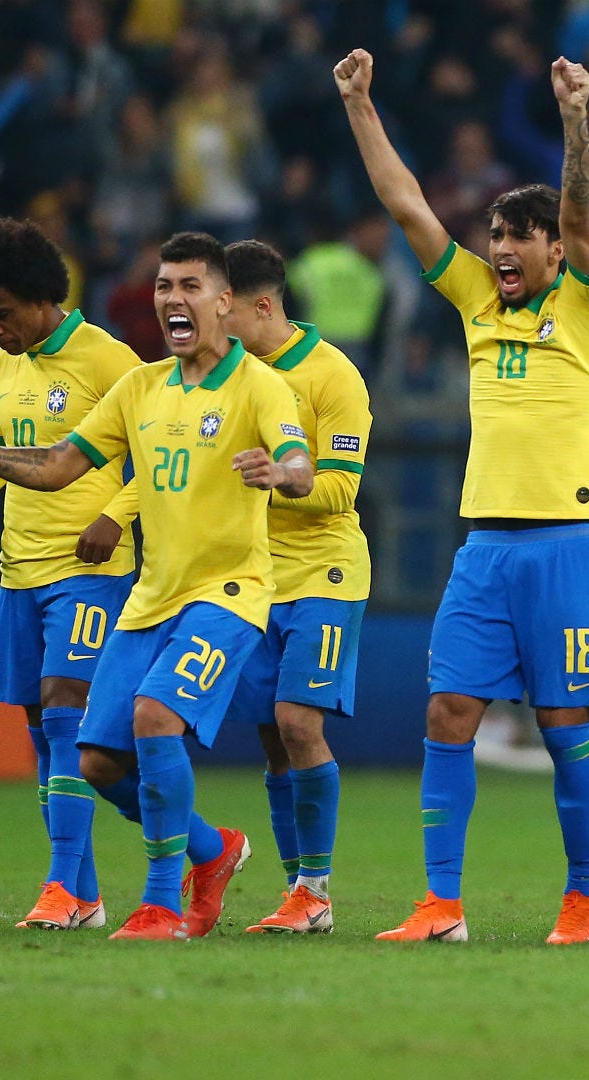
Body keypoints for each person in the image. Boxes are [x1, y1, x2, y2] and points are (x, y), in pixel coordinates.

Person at [0, 231, 314, 940]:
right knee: (99, 760)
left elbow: (298, 462)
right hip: (150, 600)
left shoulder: (262, 387)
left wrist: (282, 475)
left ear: (225, 302)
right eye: (165, 286)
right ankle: (214, 853)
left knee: (153, 720)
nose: (173, 298)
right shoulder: (139, 388)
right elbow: (54, 465)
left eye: (190, 286)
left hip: (228, 593)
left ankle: (160, 904)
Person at [337, 47, 589, 945]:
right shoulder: (476, 304)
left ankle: (582, 902)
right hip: (485, 549)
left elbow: (580, 209)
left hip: (569, 543)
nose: (498, 251)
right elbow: (406, 204)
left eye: (514, 240)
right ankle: (442, 905)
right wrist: (359, 105)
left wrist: (574, 118)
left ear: (550, 249)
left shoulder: (583, 303)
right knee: (448, 713)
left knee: (563, 723)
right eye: (493, 239)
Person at [0, 219, 141, 929]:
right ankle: (108, 886)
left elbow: (163, 462)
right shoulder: (8, 363)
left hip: (89, 569)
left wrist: (117, 516)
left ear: (43, 298)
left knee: (67, 707)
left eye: (2, 314)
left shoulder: (111, 361)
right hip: (21, 572)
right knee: (44, 729)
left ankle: (60, 889)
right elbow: (2, 459)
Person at [218, 239, 372, 934]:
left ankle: (317, 889)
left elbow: (341, 488)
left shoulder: (332, 375)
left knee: (296, 722)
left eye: (225, 311)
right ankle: (297, 895)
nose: (215, 325)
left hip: (324, 570)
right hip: (252, 576)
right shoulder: (225, 377)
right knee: (272, 740)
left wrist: (283, 479)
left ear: (260, 304)